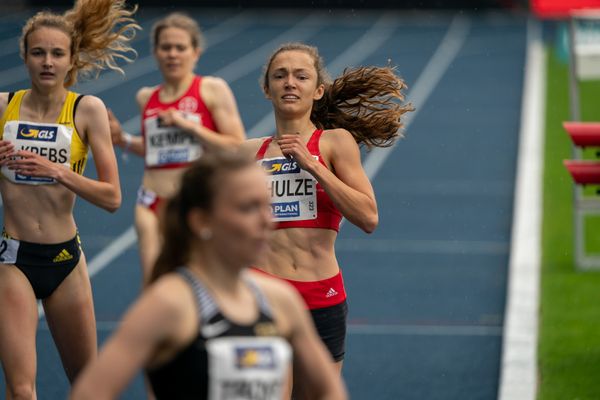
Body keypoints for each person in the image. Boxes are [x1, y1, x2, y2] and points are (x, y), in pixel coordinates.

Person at [70, 151, 347, 400]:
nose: (267, 220)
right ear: (202, 220)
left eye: (266, 205)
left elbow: (329, 390)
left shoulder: (279, 301)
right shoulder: (170, 303)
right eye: (248, 208)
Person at [243, 42, 413, 373]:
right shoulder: (247, 152)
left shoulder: (335, 143)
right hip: (262, 294)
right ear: (267, 90)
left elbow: (368, 217)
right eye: (280, 76)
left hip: (321, 295)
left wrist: (313, 166)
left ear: (318, 90)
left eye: (301, 76)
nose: (290, 82)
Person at [0, 0, 138, 398]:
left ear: (71, 59)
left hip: (64, 259)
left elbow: (112, 198)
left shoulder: (86, 109)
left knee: (88, 386)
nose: (47, 61)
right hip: (13, 258)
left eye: (57, 53)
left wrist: (58, 170)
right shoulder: (4, 107)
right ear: (24, 56)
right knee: (22, 389)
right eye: (38, 52)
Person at [109, 12, 245, 285]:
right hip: (152, 202)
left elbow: (237, 147)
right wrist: (121, 138)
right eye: (165, 47)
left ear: (195, 52)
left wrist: (190, 126)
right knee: (155, 282)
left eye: (180, 48)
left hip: (194, 201)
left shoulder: (211, 89)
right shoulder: (146, 97)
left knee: (199, 282)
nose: (172, 54)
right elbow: (156, 150)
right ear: (156, 52)